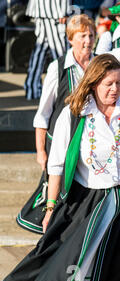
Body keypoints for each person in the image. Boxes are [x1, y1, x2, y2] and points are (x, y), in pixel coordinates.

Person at [0, 54, 120, 281]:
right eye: (108, 84)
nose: (115, 89)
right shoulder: (73, 114)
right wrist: (50, 208)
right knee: (76, 267)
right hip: (89, 202)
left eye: (119, 83)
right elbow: (56, 165)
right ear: (93, 84)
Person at [17, 14, 96, 234]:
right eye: (82, 36)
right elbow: (43, 114)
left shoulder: (99, 64)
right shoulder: (58, 68)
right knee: (56, 196)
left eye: (91, 35)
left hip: (91, 142)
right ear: (71, 38)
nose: (88, 40)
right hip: (61, 144)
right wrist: (41, 151)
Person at [24, 0, 69, 100]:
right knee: (61, 54)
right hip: (54, 11)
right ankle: (65, 90)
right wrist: (63, 11)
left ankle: (32, 88)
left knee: (41, 49)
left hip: (45, 10)